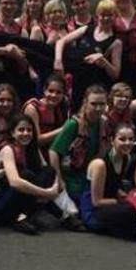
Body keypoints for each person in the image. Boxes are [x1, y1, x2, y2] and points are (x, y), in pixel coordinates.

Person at [0, 113, 86, 234]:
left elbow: (49, 171)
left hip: (24, 200)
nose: (25, 133)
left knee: (48, 171)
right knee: (27, 175)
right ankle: (60, 216)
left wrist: (54, 189)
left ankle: (23, 215)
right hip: (0, 205)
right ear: (13, 133)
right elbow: (15, 182)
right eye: (21, 130)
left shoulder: (32, 148)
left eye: (29, 130)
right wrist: (46, 193)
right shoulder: (7, 149)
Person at [50, 85, 109, 215]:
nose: (98, 108)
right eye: (94, 104)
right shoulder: (74, 124)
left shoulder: (103, 123)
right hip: (71, 177)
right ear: (85, 103)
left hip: (90, 175)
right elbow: (53, 152)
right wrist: (58, 179)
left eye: (102, 104)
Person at [55, 0, 122, 110]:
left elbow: (115, 74)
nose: (106, 18)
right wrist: (58, 60)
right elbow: (61, 41)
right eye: (103, 15)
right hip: (77, 80)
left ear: (115, 16)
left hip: (94, 86)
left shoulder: (116, 42)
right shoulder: (86, 29)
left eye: (110, 15)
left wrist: (103, 61)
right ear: (97, 15)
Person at [80, 124, 136, 239]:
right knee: (131, 210)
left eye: (131, 139)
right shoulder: (100, 164)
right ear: (112, 140)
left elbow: (112, 184)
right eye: (122, 139)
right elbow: (97, 202)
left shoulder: (126, 158)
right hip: (93, 212)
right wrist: (123, 201)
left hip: (110, 205)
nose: (127, 143)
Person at [23, 74, 70, 146]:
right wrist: (65, 129)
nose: (54, 95)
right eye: (51, 91)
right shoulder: (33, 108)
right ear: (44, 90)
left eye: (58, 92)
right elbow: (36, 139)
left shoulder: (60, 108)